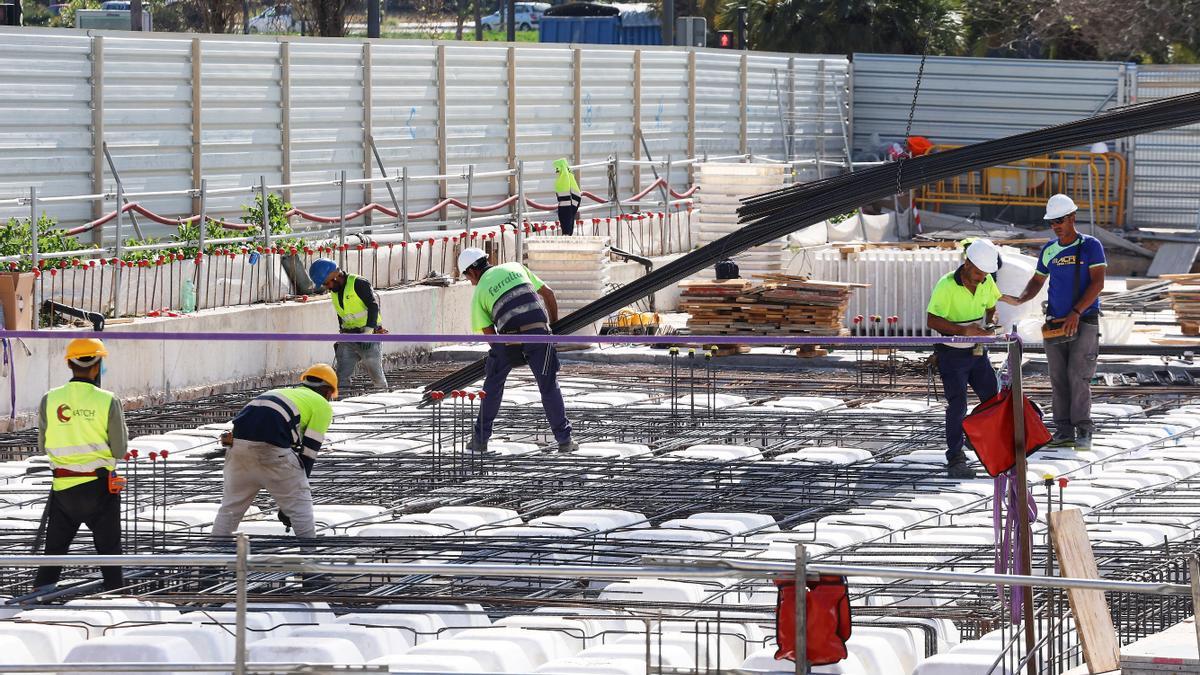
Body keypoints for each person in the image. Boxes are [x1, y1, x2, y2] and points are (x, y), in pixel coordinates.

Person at [1001, 194, 1106, 449]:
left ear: (1072, 217)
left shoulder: (1090, 246)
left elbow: (1098, 283)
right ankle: (1063, 430)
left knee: (1078, 376)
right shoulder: (1049, 250)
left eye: (1060, 220)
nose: (1056, 225)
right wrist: (1020, 299)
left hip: (1084, 320)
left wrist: (1076, 312)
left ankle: (1083, 429)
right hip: (1056, 323)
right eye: (1052, 222)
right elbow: (1037, 281)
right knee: (1058, 377)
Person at [457, 247, 577, 453]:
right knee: (549, 386)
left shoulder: (478, 294)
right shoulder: (515, 267)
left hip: (507, 337)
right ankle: (564, 441)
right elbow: (549, 294)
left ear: (473, 272)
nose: (470, 281)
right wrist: (553, 329)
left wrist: (505, 357)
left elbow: (490, 335)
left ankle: (480, 440)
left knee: (493, 386)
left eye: (467, 276)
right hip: (539, 333)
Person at [35, 338, 127, 593]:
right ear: (97, 365)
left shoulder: (49, 399)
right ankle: (116, 598)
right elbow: (119, 449)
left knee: (54, 552)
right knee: (109, 552)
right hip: (100, 489)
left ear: (69, 364)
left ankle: (38, 601)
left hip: (63, 487)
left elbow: (42, 446)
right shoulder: (108, 400)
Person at [211, 365, 337, 538]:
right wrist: (292, 501)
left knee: (230, 509)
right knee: (301, 509)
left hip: (238, 450)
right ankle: (309, 557)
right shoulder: (322, 405)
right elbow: (309, 452)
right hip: (273, 452)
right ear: (329, 392)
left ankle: (211, 556)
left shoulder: (280, 392)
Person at [926, 239, 1003, 479]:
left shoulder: (987, 280)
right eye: (978, 273)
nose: (981, 278)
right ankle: (955, 456)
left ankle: (976, 437)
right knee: (958, 405)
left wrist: (989, 324)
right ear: (967, 263)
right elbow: (932, 320)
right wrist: (962, 331)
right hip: (952, 353)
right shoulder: (946, 285)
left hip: (978, 351)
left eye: (985, 275)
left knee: (992, 398)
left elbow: (991, 306)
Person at [308, 259, 388, 392]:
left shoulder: (358, 283)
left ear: (335, 276)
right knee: (342, 376)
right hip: (348, 337)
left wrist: (368, 332)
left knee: (376, 374)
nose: (327, 287)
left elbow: (373, 306)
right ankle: (343, 403)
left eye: (327, 283)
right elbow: (342, 313)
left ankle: (383, 401)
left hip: (369, 335)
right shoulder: (335, 290)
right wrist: (342, 333)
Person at [553, 158, 581, 236]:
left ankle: (567, 234)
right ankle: (567, 234)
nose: (556, 172)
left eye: (557, 170)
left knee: (567, 226)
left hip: (567, 205)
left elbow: (565, 205)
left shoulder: (563, 178)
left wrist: (566, 232)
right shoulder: (569, 175)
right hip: (572, 203)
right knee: (569, 220)